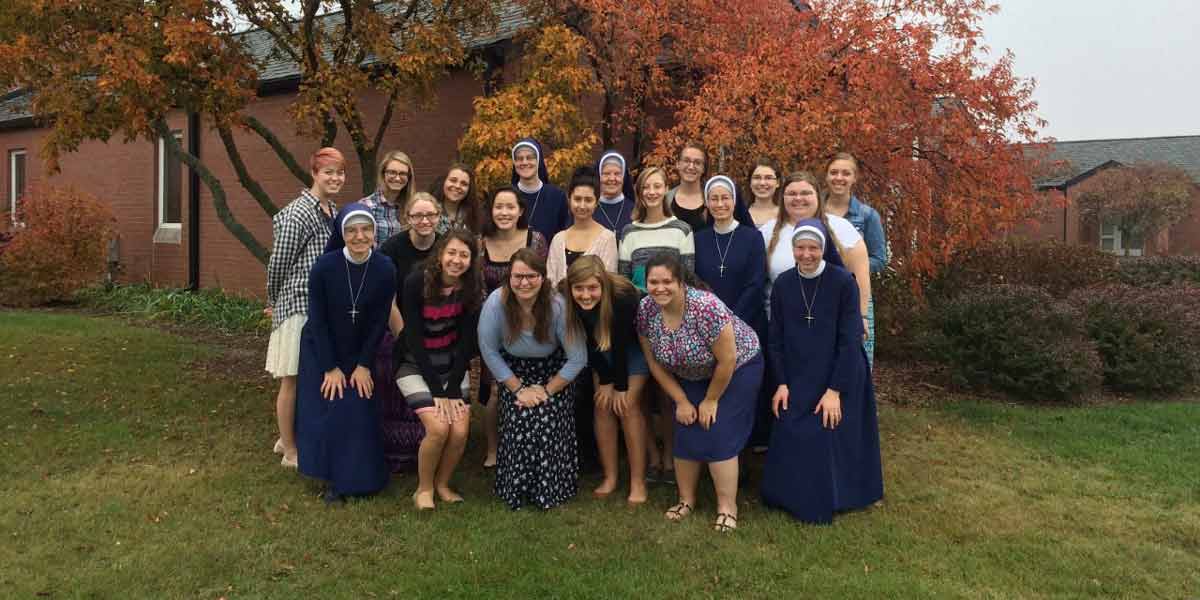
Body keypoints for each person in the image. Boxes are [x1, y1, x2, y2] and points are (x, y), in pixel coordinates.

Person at [760, 219, 883, 524]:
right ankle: (786, 494)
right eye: (800, 248)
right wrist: (782, 383)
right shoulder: (784, 284)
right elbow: (775, 339)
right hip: (798, 373)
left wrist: (834, 391)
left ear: (823, 248)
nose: (806, 254)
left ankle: (841, 494)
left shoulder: (843, 282)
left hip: (839, 371)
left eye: (813, 247)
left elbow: (849, 339)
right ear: (793, 250)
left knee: (824, 428)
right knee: (791, 425)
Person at [636, 253, 764, 532]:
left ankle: (727, 508)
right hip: (690, 373)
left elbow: (727, 359)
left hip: (738, 366)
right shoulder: (646, 309)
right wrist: (681, 400)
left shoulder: (705, 307)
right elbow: (654, 363)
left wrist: (711, 400)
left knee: (718, 429)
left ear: (681, 282)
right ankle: (686, 500)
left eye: (667, 281)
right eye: (653, 282)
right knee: (686, 426)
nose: (660, 288)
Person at [294, 203, 396, 502]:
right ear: (342, 233)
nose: (359, 236)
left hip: (360, 350)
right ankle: (334, 480)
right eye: (351, 230)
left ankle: (365, 479)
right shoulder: (324, 267)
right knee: (334, 404)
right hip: (323, 349)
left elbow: (380, 321)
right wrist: (330, 367)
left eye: (365, 229)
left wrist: (364, 364)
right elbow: (318, 319)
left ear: (374, 233)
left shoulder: (385, 268)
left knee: (360, 406)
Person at [478, 249, 588, 510]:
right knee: (520, 419)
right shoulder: (496, 303)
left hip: (553, 374)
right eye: (517, 276)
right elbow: (489, 350)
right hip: (512, 373)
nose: (524, 283)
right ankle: (515, 486)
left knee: (546, 418)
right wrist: (518, 389)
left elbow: (577, 358)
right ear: (509, 278)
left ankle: (551, 487)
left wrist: (546, 391)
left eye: (531, 276)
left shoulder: (557, 305)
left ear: (542, 278)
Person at [265, 147, 343, 469]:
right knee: (292, 378)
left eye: (340, 173)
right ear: (314, 173)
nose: (335, 178)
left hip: (320, 307)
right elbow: (278, 263)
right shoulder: (298, 212)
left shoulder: (332, 211)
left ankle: (292, 437)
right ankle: (290, 448)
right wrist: (273, 300)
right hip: (298, 304)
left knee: (310, 377)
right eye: (328, 172)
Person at [396, 230, 482, 510]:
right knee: (437, 429)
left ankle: (442, 484)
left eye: (464, 255)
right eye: (452, 253)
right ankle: (423, 489)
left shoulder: (471, 288)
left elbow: (467, 342)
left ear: (471, 260)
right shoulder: (416, 281)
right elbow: (414, 340)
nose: (457, 260)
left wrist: (454, 386)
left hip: (452, 365)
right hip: (414, 363)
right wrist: (437, 391)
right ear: (441, 254)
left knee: (458, 431)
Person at [559, 256, 649, 504]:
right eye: (579, 288)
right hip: (600, 346)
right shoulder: (565, 298)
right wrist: (606, 381)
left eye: (592, 288)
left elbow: (621, 342)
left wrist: (620, 386)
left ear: (603, 286)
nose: (585, 295)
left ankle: (637, 481)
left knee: (627, 406)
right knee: (602, 406)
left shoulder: (622, 296)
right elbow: (586, 341)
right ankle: (610, 476)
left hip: (633, 346)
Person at [690, 176, 769, 450]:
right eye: (714, 198)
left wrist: (729, 324)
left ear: (735, 201)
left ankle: (747, 448)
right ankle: (714, 446)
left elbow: (756, 283)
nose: (720, 204)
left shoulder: (752, 237)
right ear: (707, 203)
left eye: (726, 198)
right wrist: (712, 326)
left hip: (746, 325)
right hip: (706, 330)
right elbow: (695, 284)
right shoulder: (698, 239)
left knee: (742, 392)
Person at [761, 172, 872, 362]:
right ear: (782, 197)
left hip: (832, 325)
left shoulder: (842, 227)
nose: (798, 198)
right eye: (791, 193)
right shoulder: (767, 231)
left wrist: (861, 316)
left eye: (805, 193)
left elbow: (860, 275)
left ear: (817, 196)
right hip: (785, 327)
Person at [478, 186, 549, 468]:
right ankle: (493, 448)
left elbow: (541, 280)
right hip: (493, 321)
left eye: (510, 207)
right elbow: (477, 287)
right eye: (498, 207)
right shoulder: (480, 242)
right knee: (496, 388)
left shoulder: (536, 239)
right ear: (491, 211)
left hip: (531, 320)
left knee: (527, 383)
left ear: (520, 211)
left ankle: (526, 439)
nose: (504, 212)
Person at [376, 193, 443, 471]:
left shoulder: (444, 247)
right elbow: (388, 299)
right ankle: (395, 452)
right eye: (418, 216)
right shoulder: (392, 248)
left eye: (430, 215)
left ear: (439, 217)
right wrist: (407, 339)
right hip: (398, 324)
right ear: (408, 219)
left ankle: (426, 446)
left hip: (436, 325)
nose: (424, 221)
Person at [823, 152, 887, 367]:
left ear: (854, 178)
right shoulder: (813, 211)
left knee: (858, 358)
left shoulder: (867, 216)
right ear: (826, 176)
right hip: (818, 292)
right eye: (834, 172)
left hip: (856, 293)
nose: (839, 178)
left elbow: (879, 258)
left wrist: (850, 265)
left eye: (845, 173)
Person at [619, 166, 695, 291]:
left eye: (657, 186)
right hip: (639, 308)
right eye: (645, 187)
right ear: (639, 191)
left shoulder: (682, 230)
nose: (652, 192)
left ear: (666, 189)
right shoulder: (628, 232)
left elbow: (688, 281)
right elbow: (624, 282)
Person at [547, 166, 618, 286]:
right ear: (569, 199)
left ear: (597, 202)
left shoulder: (607, 239)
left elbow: (608, 283)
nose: (582, 205)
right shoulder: (558, 239)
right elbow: (551, 283)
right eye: (577, 199)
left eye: (588, 200)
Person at [510, 138, 571, 243]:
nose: (524, 162)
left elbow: (564, 235)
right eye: (519, 158)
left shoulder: (557, 197)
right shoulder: (507, 195)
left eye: (530, 158)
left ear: (538, 161)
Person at [359, 150, 415, 246]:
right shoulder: (365, 206)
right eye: (392, 172)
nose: (397, 178)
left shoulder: (413, 207)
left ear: (409, 177)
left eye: (402, 173)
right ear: (383, 174)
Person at [665, 142, 709, 233]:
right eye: (686, 161)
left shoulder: (712, 200)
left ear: (703, 168)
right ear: (678, 164)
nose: (691, 167)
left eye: (697, 162)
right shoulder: (665, 201)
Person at [593, 151, 636, 238]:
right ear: (599, 177)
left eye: (617, 174)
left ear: (623, 177)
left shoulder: (636, 211)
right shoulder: (588, 210)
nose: (612, 178)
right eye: (606, 174)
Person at [431, 162, 479, 234]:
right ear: (443, 181)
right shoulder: (429, 211)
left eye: (464, 184)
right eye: (453, 180)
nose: (457, 186)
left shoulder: (474, 217)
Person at [746, 159, 781, 228]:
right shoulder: (739, 215)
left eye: (768, 178)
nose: (762, 183)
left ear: (778, 183)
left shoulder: (786, 216)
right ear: (750, 182)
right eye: (757, 177)